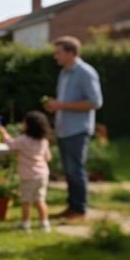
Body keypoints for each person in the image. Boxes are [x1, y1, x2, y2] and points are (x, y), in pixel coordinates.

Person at [43, 35, 103, 222]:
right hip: (64, 128)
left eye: (58, 52)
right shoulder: (64, 72)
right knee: (68, 171)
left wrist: (61, 105)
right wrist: (56, 105)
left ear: (71, 53)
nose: (55, 56)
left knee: (76, 170)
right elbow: (65, 101)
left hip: (78, 130)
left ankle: (80, 211)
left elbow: (95, 102)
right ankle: (72, 207)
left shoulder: (86, 72)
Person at [0, 110, 53, 232]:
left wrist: (4, 133)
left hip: (28, 176)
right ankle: (45, 224)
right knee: (40, 200)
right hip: (43, 175)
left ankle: (25, 224)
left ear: (28, 125)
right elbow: (48, 157)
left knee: (26, 201)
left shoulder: (23, 140)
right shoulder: (44, 141)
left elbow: (11, 144)